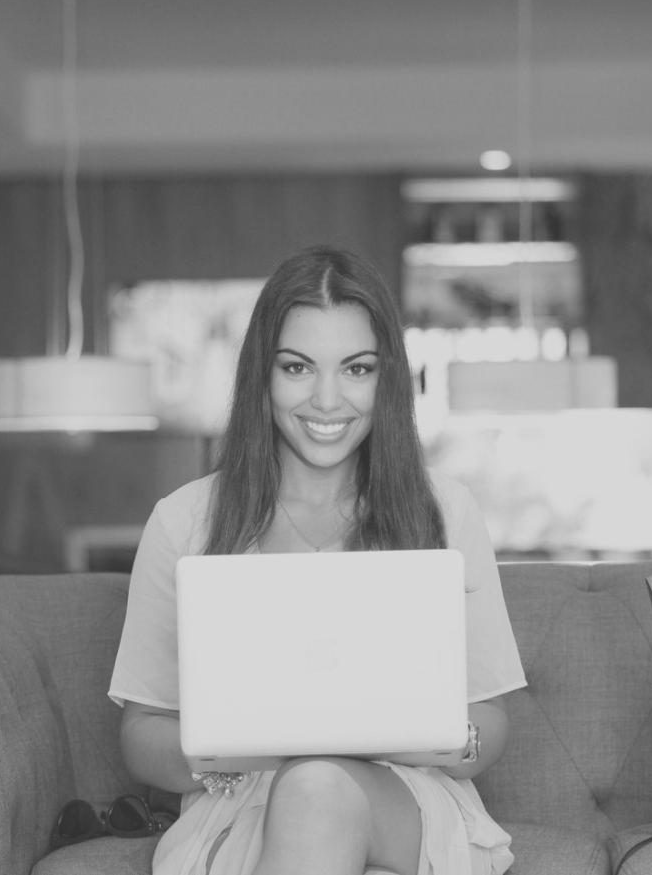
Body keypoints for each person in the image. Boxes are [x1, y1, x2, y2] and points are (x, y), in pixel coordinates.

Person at [108, 245, 526, 875]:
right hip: (240, 800)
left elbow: (489, 722)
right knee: (308, 785)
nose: (328, 400)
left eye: (356, 369)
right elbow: (143, 735)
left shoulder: (446, 511)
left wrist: (435, 739)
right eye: (298, 368)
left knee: (317, 788)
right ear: (263, 375)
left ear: (385, 378)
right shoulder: (183, 520)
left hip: (400, 801)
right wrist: (240, 751)